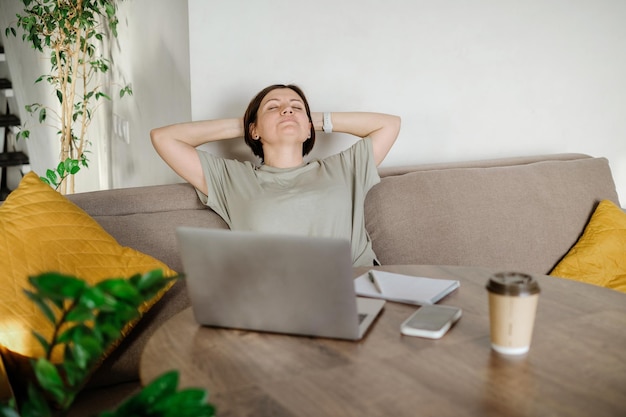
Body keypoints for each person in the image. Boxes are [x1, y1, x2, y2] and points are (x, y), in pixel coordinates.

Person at [151, 84, 401, 267]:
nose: (287, 110)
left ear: (310, 128)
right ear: (254, 131)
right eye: (273, 107)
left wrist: (306, 120)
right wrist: (248, 124)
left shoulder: (345, 168)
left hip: (355, 290)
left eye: (296, 107)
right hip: (277, 301)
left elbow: (389, 125)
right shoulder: (232, 179)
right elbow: (164, 138)